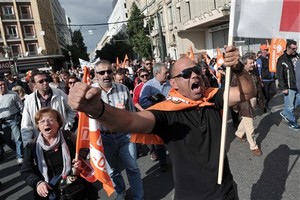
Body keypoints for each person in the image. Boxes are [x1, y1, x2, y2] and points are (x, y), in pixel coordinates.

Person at [68, 46, 255, 199]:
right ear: (173, 84)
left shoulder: (213, 97)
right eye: (187, 74)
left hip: (227, 193)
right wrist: (98, 109)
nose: (195, 75)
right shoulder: (167, 112)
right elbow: (129, 120)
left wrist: (238, 68)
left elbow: (247, 92)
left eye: (197, 70)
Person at [92, 60, 144, 200]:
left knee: (132, 168)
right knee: (113, 171)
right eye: (102, 72)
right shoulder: (91, 93)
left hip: (125, 136)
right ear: (96, 75)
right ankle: (120, 192)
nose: (106, 75)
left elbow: (132, 114)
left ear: (113, 72)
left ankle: (138, 197)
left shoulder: (123, 89)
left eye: (109, 71)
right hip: (104, 138)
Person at [20, 108, 98, 200]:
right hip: (49, 192)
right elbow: (26, 171)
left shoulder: (68, 136)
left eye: (51, 120)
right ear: (38, 126)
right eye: (42, 121)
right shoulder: (32, 146)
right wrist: (38, 183)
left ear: (58, 123)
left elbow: (82, 149)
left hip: (74, 188)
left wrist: (79, 160)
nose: (46, 124)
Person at [21, 71, 77, 147]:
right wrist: (27, 144)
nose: (45, 83)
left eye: (46, 80)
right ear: (34, 84)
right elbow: (26, 125)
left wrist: (68, 124)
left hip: (61, 135)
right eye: (41, 81)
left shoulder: (59, 94)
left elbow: (72, 109)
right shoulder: (29, 100)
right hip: (41, 139)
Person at [139, 63, 171, 171]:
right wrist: (155, 102)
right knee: (159, 142)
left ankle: (176, 160)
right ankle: (163, 163)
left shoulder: (170, 83)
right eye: (165, 72)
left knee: (172, 139)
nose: (167, 74)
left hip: (169, 116)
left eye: (168, 72)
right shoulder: (148, 85)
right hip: (156, 117)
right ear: (157, 73)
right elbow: (142, 101)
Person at [232, 53, 264, 156]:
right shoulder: (238, 75)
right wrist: (235, 106)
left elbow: (258, 86)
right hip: (243, 103)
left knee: (246, 119)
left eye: (254, 62)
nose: (253, 64)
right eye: (251, 62)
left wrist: (260, 99)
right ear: (244, 64)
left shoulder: (253, 72)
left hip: (252, 101)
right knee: (250, 126)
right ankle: (253, 146)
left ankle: (239, 133)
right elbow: (233, 91)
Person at [276, 40, 300, 130]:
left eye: (296, 48)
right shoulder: (282, 59)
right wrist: (283, 87)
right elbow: (279, 74)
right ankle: (292, 122)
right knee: (290, 106)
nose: (295, 50)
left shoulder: (297, 56)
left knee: (299, 99)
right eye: (293, 48)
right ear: (288, 48)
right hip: (289, 86)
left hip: (298, 84)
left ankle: (285, 112)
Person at [0, 79, 24, 164]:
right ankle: (19, 151)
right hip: (3, 122)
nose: (3, 86)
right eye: (1, 85)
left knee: (18, 138)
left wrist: (23, 116)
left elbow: (20, 106)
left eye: (4, 84)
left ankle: (20, 156)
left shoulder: (13, 94)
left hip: (14, 119)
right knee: (7, 140)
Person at [256, 44, 276, 112]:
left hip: (271, 79)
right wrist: (260, 81)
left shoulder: (270, 58)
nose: (267, 51)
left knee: (274, 91)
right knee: (265, 95)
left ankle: (266, 102)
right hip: (265, 80)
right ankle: (264, 106)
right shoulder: (259, 59)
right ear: (262, 51)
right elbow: (259, 71)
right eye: (266, 50)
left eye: (267, 50)